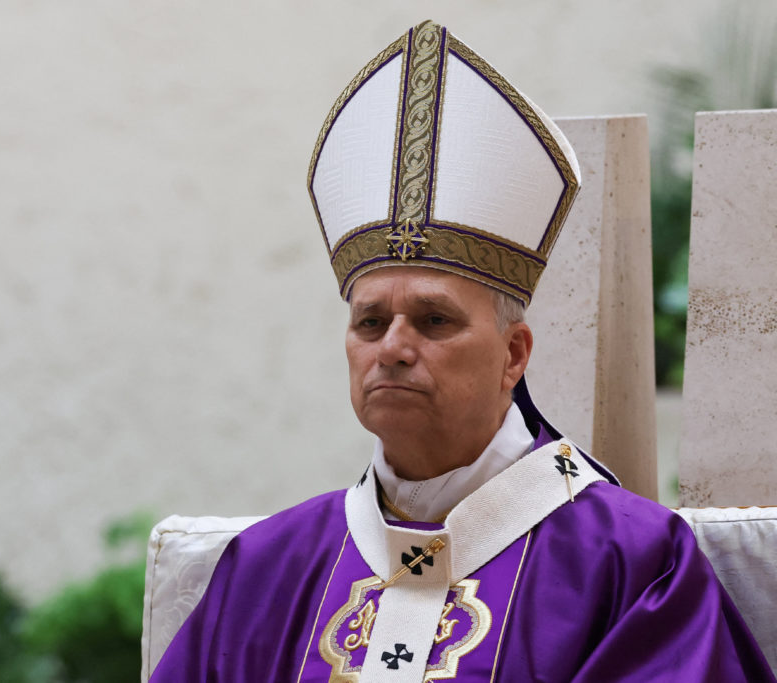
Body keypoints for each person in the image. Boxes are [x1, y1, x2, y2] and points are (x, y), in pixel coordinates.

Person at [149, 20, 775, 682]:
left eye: (434, 319)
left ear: (513, 354)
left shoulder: (632, 560)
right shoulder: (265, 570)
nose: (392, 347)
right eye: (369, 322)